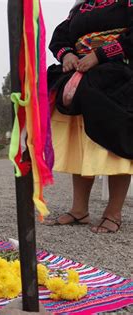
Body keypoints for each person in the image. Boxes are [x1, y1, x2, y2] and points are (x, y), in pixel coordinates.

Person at [45, 0, 133, 233]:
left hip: (118, 75)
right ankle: (79, 210)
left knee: (115, 142)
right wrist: (67, 56)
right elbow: (60, 38)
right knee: (82, 142)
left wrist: (100, 55)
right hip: (81, 76)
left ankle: (113, 213)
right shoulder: (82, 7)